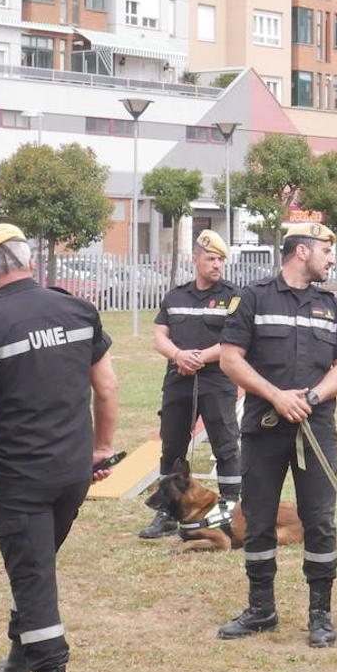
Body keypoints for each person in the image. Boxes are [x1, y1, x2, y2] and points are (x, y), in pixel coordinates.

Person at [0, 223, 119, 672]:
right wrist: (100, 450)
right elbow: (108, 389)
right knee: (36, 571)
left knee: (34, 582)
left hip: (19, 481)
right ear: (30, 262)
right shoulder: (76, 310)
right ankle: (15, 670)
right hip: (73, 473)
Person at [217, 222, 337, 646]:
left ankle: (320, 615)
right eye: (326, 251)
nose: (331, 259)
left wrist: (311, 397)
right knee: (257, 519)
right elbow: (229, 359)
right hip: (264, 427)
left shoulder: (330, 305)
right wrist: (277, 396)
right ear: (301, 251)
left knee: (319, 520)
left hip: (315, 429)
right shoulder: (253, 297)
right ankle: (262, 610)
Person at [141, 229, 242, 539]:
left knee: (225, 447)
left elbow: (234, 339)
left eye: (221, 260)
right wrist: (178, 355)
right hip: (178, 381)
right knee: (172, 448)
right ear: (195, 259)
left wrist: (200, 357)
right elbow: (160, 335)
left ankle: (230, 511)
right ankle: (167, 514)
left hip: (216, 381)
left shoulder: (234, 297)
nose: (217, 265)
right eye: (211, 258)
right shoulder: (176, 296)